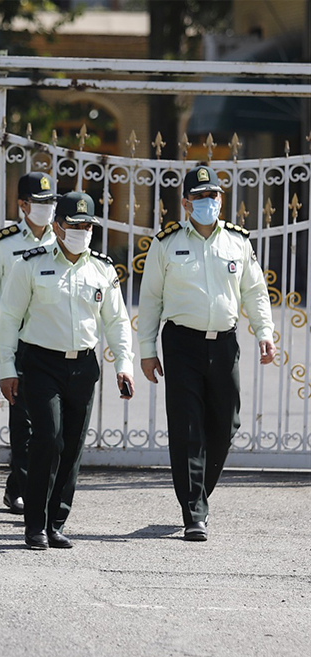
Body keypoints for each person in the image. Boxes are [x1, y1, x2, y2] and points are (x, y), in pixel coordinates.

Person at [138, 165, 275, 542]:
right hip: (181, 344)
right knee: (187, 428)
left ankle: (198, 492)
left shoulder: (237, 242)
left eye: (212, 195)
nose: (207, 202)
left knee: (226, 424)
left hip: (224, 343)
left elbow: (254, 291)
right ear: (185, 203)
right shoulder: (166, 244)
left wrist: (264, 331)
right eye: (198, 197)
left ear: (221, 200)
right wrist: (147, 350)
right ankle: (194, 511)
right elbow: (150, 300)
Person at [0, 191, 134, 550]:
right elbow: (9, 318)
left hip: (83, 366)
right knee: (48, 438)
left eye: (87, 226)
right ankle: (35, 523)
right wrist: (7, 368)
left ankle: (55, 521)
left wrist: (124, 364)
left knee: (71, 446)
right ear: (57, 226)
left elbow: (117, 321)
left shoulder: (102, 269)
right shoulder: (30, 264)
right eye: (74, 225)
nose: (82, 232)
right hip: (41, 363)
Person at [0, 171, 58, 515]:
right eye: (39, 202)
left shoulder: (63, 238)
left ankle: (19, 486)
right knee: (23, 419)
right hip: (18, 341)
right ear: (23, 205)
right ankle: (26, 489)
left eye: (51, 201)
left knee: (49, 422)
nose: (47, 208)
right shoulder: (4, 243)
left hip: (52, 338)